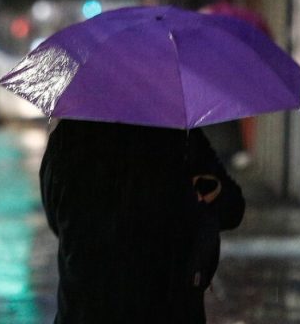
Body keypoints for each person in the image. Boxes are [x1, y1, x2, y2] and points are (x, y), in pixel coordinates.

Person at [39, 119, 245, 323]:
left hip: (85, 307)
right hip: (167, 303)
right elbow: (232, 209)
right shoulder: (176, 134)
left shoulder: (68, 137)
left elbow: (56, 218)